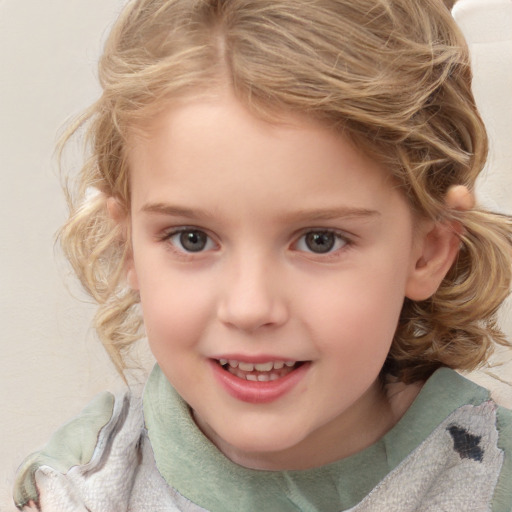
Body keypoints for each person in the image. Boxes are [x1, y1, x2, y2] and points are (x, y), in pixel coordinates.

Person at [13, 0, 512, 510]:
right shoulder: (82, 485)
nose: (250, 307)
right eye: (192, 238)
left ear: (427, 252)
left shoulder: (491, 478)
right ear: (130, 249)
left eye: (320, 240)